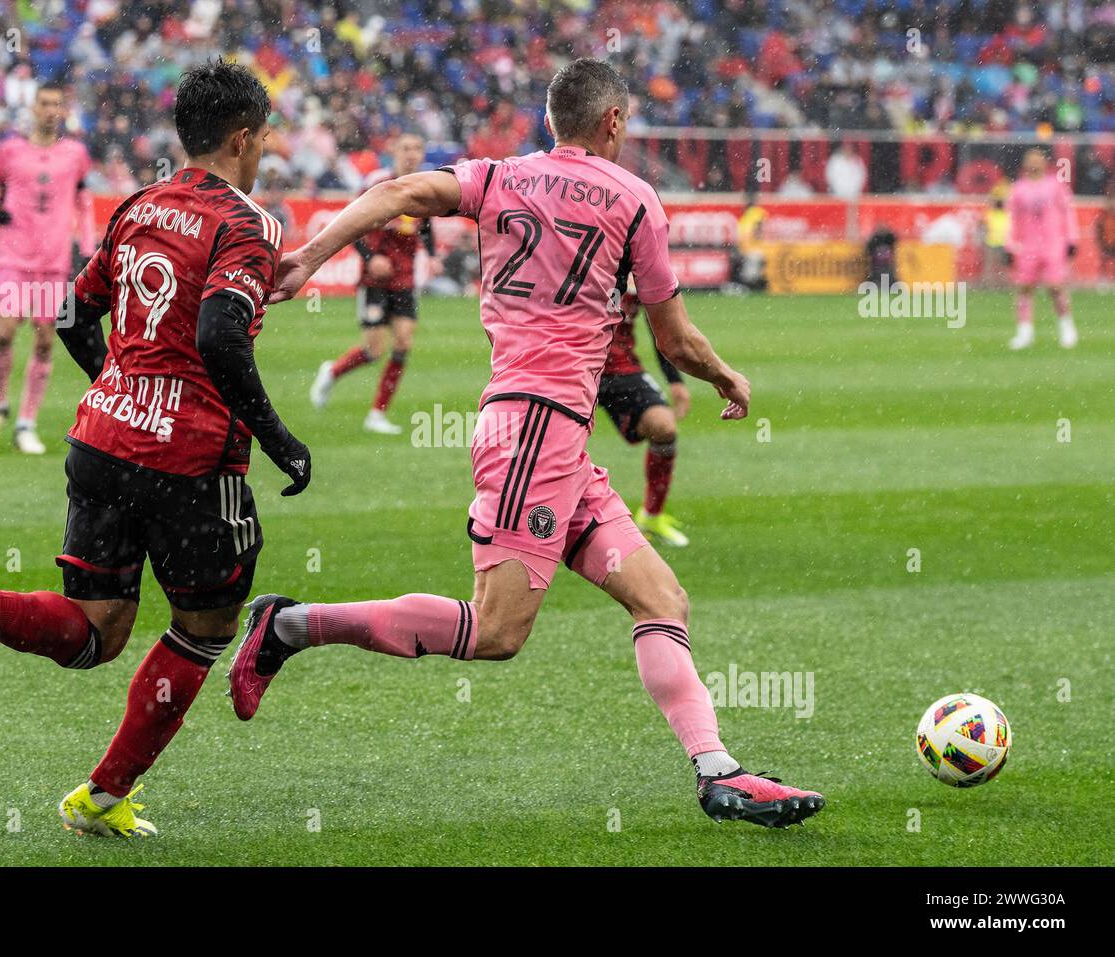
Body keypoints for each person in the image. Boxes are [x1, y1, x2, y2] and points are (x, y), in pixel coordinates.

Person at [232, 58, 824, 829]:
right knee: (496, 631)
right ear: (613, 123)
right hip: (535, 431)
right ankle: (287, 624)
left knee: (660, 597)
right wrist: (724, 376)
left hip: (552, 436)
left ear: (551, 120)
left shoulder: (501, 176)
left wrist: (311, 256)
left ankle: (720, 774)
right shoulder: (637, 199)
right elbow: (673, 337)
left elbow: (399, 192)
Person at [0, 60, 310, 838]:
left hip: (101, 440)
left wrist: (115, 384)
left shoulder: (139, 204)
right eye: (264, 139)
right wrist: (278, 436)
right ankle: (102, 794)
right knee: (207, 627)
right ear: (244, 137)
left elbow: (67, 311)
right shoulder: (247, 224)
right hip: (191, 461)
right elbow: (220, 332)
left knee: (97, 631)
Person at [0, 83, 95, 454]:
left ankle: (26, 423)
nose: (51, 110)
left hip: (53, 264)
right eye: (45, 103)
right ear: (34, 108)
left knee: (44, 340)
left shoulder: (75, 155)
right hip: (12, 257)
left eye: (57, 104)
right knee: (6, 331)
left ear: (63, 110)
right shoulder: (10, 151)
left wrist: (87, 249)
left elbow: (84, 203)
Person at [309, 133, 443, 434]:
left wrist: (432, 256)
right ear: (394, 150)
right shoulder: (378, 183)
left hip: (405, 277)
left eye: (417, 147)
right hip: (376, 278)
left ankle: (377, 414)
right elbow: (351, 223)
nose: (411, 153)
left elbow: (427, 226)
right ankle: (332, 371)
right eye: (406, 147)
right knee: (373, 349)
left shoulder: (426, 186)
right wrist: (370, 258)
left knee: (404, 341)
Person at [600, 291, 691, 547]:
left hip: (621, 369)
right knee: (555, 440)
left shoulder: (638, 264)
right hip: (571, 365)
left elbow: (661, 327)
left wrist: (674, 380)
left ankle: (652, 516)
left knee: (663, 428)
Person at [1005, 148, 1078, 350]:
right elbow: (1012, 219)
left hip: (1053, 243)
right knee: (1024, 288)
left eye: (1037, 159)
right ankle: (1024, 332)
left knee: (1055, 286)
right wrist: (1009, 244)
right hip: (1028, 245)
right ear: (1025, 164)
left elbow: (1067, 212)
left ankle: (1067, 326)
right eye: (1030, 160)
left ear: (1045, 163)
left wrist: (1072, 238)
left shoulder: (1056, 186)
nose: (1034, 163)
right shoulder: (1018, 189)